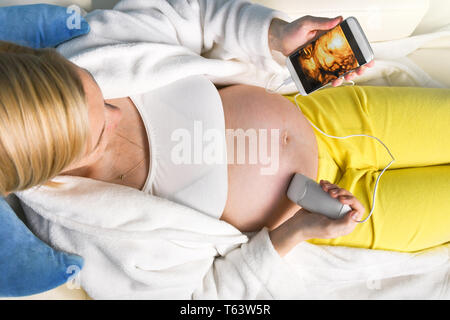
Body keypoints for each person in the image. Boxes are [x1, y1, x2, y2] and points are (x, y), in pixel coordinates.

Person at [0, 0, 448, 269]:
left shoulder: (96, 47)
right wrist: (296, 233)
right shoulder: (87, 235)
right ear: (53, 166)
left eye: (102, 95)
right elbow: (205, 302)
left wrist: (273, 35)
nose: (116, 116)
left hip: (337, 122)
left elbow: (191, 14)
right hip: (339, 216)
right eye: (99, 131)